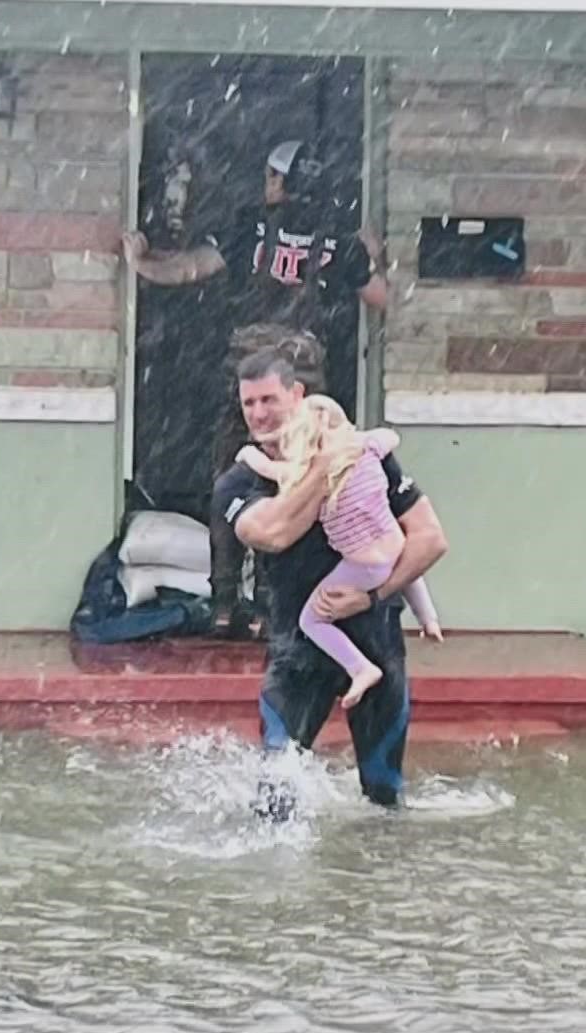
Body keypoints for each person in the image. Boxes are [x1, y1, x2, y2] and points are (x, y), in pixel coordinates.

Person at [123, 138, 389, 636]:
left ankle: (225, 604)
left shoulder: (249, 225)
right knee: (295, 488)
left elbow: (190, 267)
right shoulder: (339, 237)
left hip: (247, 374)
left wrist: (141, 263)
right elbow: (380, 296)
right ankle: (275, 605)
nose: (266, 183)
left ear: (280, 181)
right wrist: (372, 256)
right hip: (303, 381)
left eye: (271, 175)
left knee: (232, 481)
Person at [211, 347, 450, 814]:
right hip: (299, 652)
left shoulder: (365, 455)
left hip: (375, 644)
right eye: (248, 404)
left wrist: (371, 596)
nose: (258, 414)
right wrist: (324, 467)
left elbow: (429, 538)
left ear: (298, 395)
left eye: (269, 400)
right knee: (274, 802)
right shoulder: (239, 483)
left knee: (384, 805)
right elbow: (275, 533)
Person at [234, 394, 442, 708]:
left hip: (364, 565)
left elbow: (271, 470)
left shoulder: (312, 472)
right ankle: (429, 619)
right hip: (393, 546)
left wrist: (249, 453)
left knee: (312, 621)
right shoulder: (368, 448)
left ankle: (361, 668)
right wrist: (359, 439)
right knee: (407, 563)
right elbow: (391, 436)